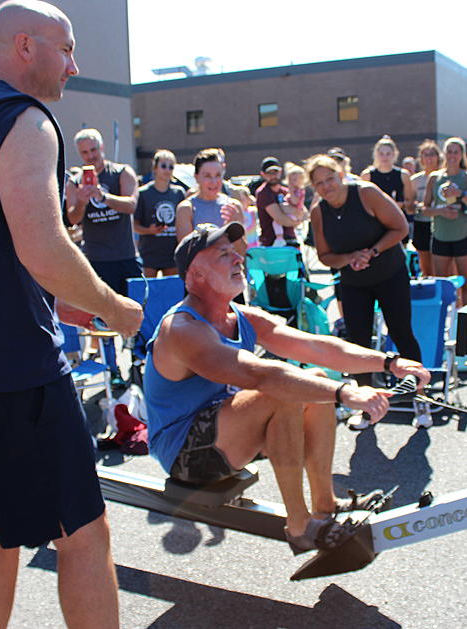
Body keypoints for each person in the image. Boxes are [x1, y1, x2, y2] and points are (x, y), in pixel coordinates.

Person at [0, 0, 143, 628]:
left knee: (3, 524)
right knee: (84, 532)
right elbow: (43, 244)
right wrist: (116, 307)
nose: (74, 65)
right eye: (65, 48)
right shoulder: (22, 118)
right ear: (23, 46)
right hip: (8, 364)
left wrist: (57, 299)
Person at [144, 221, 429, 554]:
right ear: (196, 274)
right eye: (223, 254)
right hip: (184, 457)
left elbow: (318, 348)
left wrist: (390, 362)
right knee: (280, 391)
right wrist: (346, 393)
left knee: (316, 381)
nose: (238, 259)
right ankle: (299, 526)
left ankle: (325, 505)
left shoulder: (241, 317)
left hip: (224, 436)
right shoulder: (182, 328)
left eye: (236, 252)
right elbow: (260, 376)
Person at [307, 154, 428, 428]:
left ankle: (420, 400)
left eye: (330, 178)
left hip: (390, 273)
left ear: (341, 175)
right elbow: (325, 255)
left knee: (402, 334)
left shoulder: (366, 193)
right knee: (358, 344)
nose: (327, 186)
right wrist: (349, 259)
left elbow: (400, 228)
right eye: (319, 183)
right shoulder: (318, 212)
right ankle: (368, 407)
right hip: (353, 281)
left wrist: (371, 252)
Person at [65, 128, 140, 295]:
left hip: (125, 257)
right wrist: (82, 203)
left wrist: (103, 197)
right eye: (84, 152)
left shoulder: (122, 172)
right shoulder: (75, 182)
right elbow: (72, 218)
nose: (90, 156)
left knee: (134, 312)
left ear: (102, 148)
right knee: (99, 318)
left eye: (93, 150)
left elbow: (131, 205)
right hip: (95, 260)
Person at [419, 137, 467, 305]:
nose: (452, 155)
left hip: (462, 235)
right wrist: (441, 211)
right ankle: (444, 322)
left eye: (456, 152)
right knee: (442, 283)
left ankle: (465, 322)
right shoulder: (434, 178)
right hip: (440, 235)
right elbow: (424, 209)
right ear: (444, 154)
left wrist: (460, 194)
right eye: (449, 151)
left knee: (466, 283)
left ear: (462, 154)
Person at [175, 148, 246, 243]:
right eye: (207, 176)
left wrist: (233, 230)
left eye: (218, 175)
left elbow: (242, 252)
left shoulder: (234, 207)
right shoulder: (186, 209)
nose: (214, 182)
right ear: (196, 177)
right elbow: (186, 253)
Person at [133, 149, 184, 277]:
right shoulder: (143, 193)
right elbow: (135, 225)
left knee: (171, 291)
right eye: (163, 166)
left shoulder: (178, 193)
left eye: (171, 166)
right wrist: (149, 230)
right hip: (149, 254)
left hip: (172, 253)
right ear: (155, 168)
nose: (167, 170)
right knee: (149, 291)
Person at [360, 135, 415, 245]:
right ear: (376, 155)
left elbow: (410, 203)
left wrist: (401, 205)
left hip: (397, 223)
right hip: (375, 225)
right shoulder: (367, 175)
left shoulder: (403, 175)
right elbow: (362, 204)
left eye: (388, 154)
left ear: (394, 154)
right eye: (381, 154)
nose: (385, 157)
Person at [409, 140, 443, 277]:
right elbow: (409, 206)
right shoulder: (415, 180)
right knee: (425, 264)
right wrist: (417, 206)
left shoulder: (443, 176)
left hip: (440, 223)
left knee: (440, 263)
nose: (429, 158)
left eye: (432, 155)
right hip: (421, 222)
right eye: (425, 155)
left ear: (438, 157)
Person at [256, 158, 305, 247]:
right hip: (273, 243)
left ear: (280, 172)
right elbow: (281, 219)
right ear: (263, 174)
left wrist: (296, 214)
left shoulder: (286, 191)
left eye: (275, 172)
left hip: (291, 240)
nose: (273, 176)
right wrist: (296, 220)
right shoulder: (263, 193)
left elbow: (303, 213)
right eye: (269, 173)